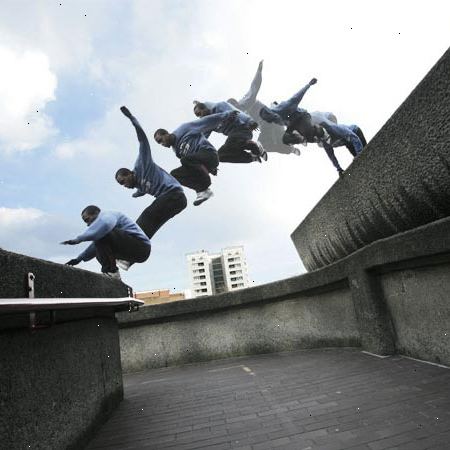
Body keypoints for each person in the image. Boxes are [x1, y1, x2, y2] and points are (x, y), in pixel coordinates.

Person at [116, 106, 187, 243]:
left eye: (123, 181)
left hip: (174, 194)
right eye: (121, 184)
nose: (124, 185)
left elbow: (143, 140)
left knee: (147, 215)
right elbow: (140, 191)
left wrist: (132, 119)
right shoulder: (139, 186)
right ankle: (131, 255)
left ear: (130, 173)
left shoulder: (142, 163)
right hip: (176, 203)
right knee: (153, 225)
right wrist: (136, 194)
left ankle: (129, 240)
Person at [154, 110, 239, 206]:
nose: (162, 144)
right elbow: (191, 166)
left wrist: (226, 115)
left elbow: (205, 121)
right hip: (203, 163)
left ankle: (205, 184)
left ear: (166, 133)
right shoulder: (176, 151)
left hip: (209, 154)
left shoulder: (183, 128)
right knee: (174, 174)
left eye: (161, 140)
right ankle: (203, 191)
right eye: (159, 143)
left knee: (185, 160)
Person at [228, 60, 303, 156]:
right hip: (265, 127)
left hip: (271, 119)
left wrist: (259, 71)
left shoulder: (246, 99)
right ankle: (291, 149)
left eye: (234, 108)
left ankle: (296, 136)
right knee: (263, 145)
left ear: (235, 103)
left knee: (280, 137)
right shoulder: (240, 114)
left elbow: (254, 86)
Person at [62, 205, 151, 279]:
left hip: (141, 246)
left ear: (97, 213)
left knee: (102, 234)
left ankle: (111, 271)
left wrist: (79, 239)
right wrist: (78, 259)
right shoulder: (102, 230)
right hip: (136, 251)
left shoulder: (108, 215)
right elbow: (95, 246)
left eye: (87, 220)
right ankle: (114, 275)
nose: (88, 224)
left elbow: (106, 224)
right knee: (99, 248)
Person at [286, 111, 364, 176]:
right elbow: (331, 156)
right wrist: (339, 169)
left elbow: (354, 137)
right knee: (359, 160)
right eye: (324, 140)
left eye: (327, 138)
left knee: (363, 155)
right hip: (348, 143)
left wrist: (360, 153)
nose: (327, 141)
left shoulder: (334, 128)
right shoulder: (325, 143)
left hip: (355, 132)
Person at [193, 100, 267, 164]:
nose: (200, 117)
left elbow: (236, 112)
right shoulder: (209, 123)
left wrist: (250, 121)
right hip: (234, 136)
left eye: (199, 113)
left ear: (204, 108)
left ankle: (255, 146)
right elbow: (203, 138)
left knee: (232, 141)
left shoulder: (219, 106)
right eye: (198, 116)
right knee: (221, 155)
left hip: (243, 129)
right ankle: (253, 156)